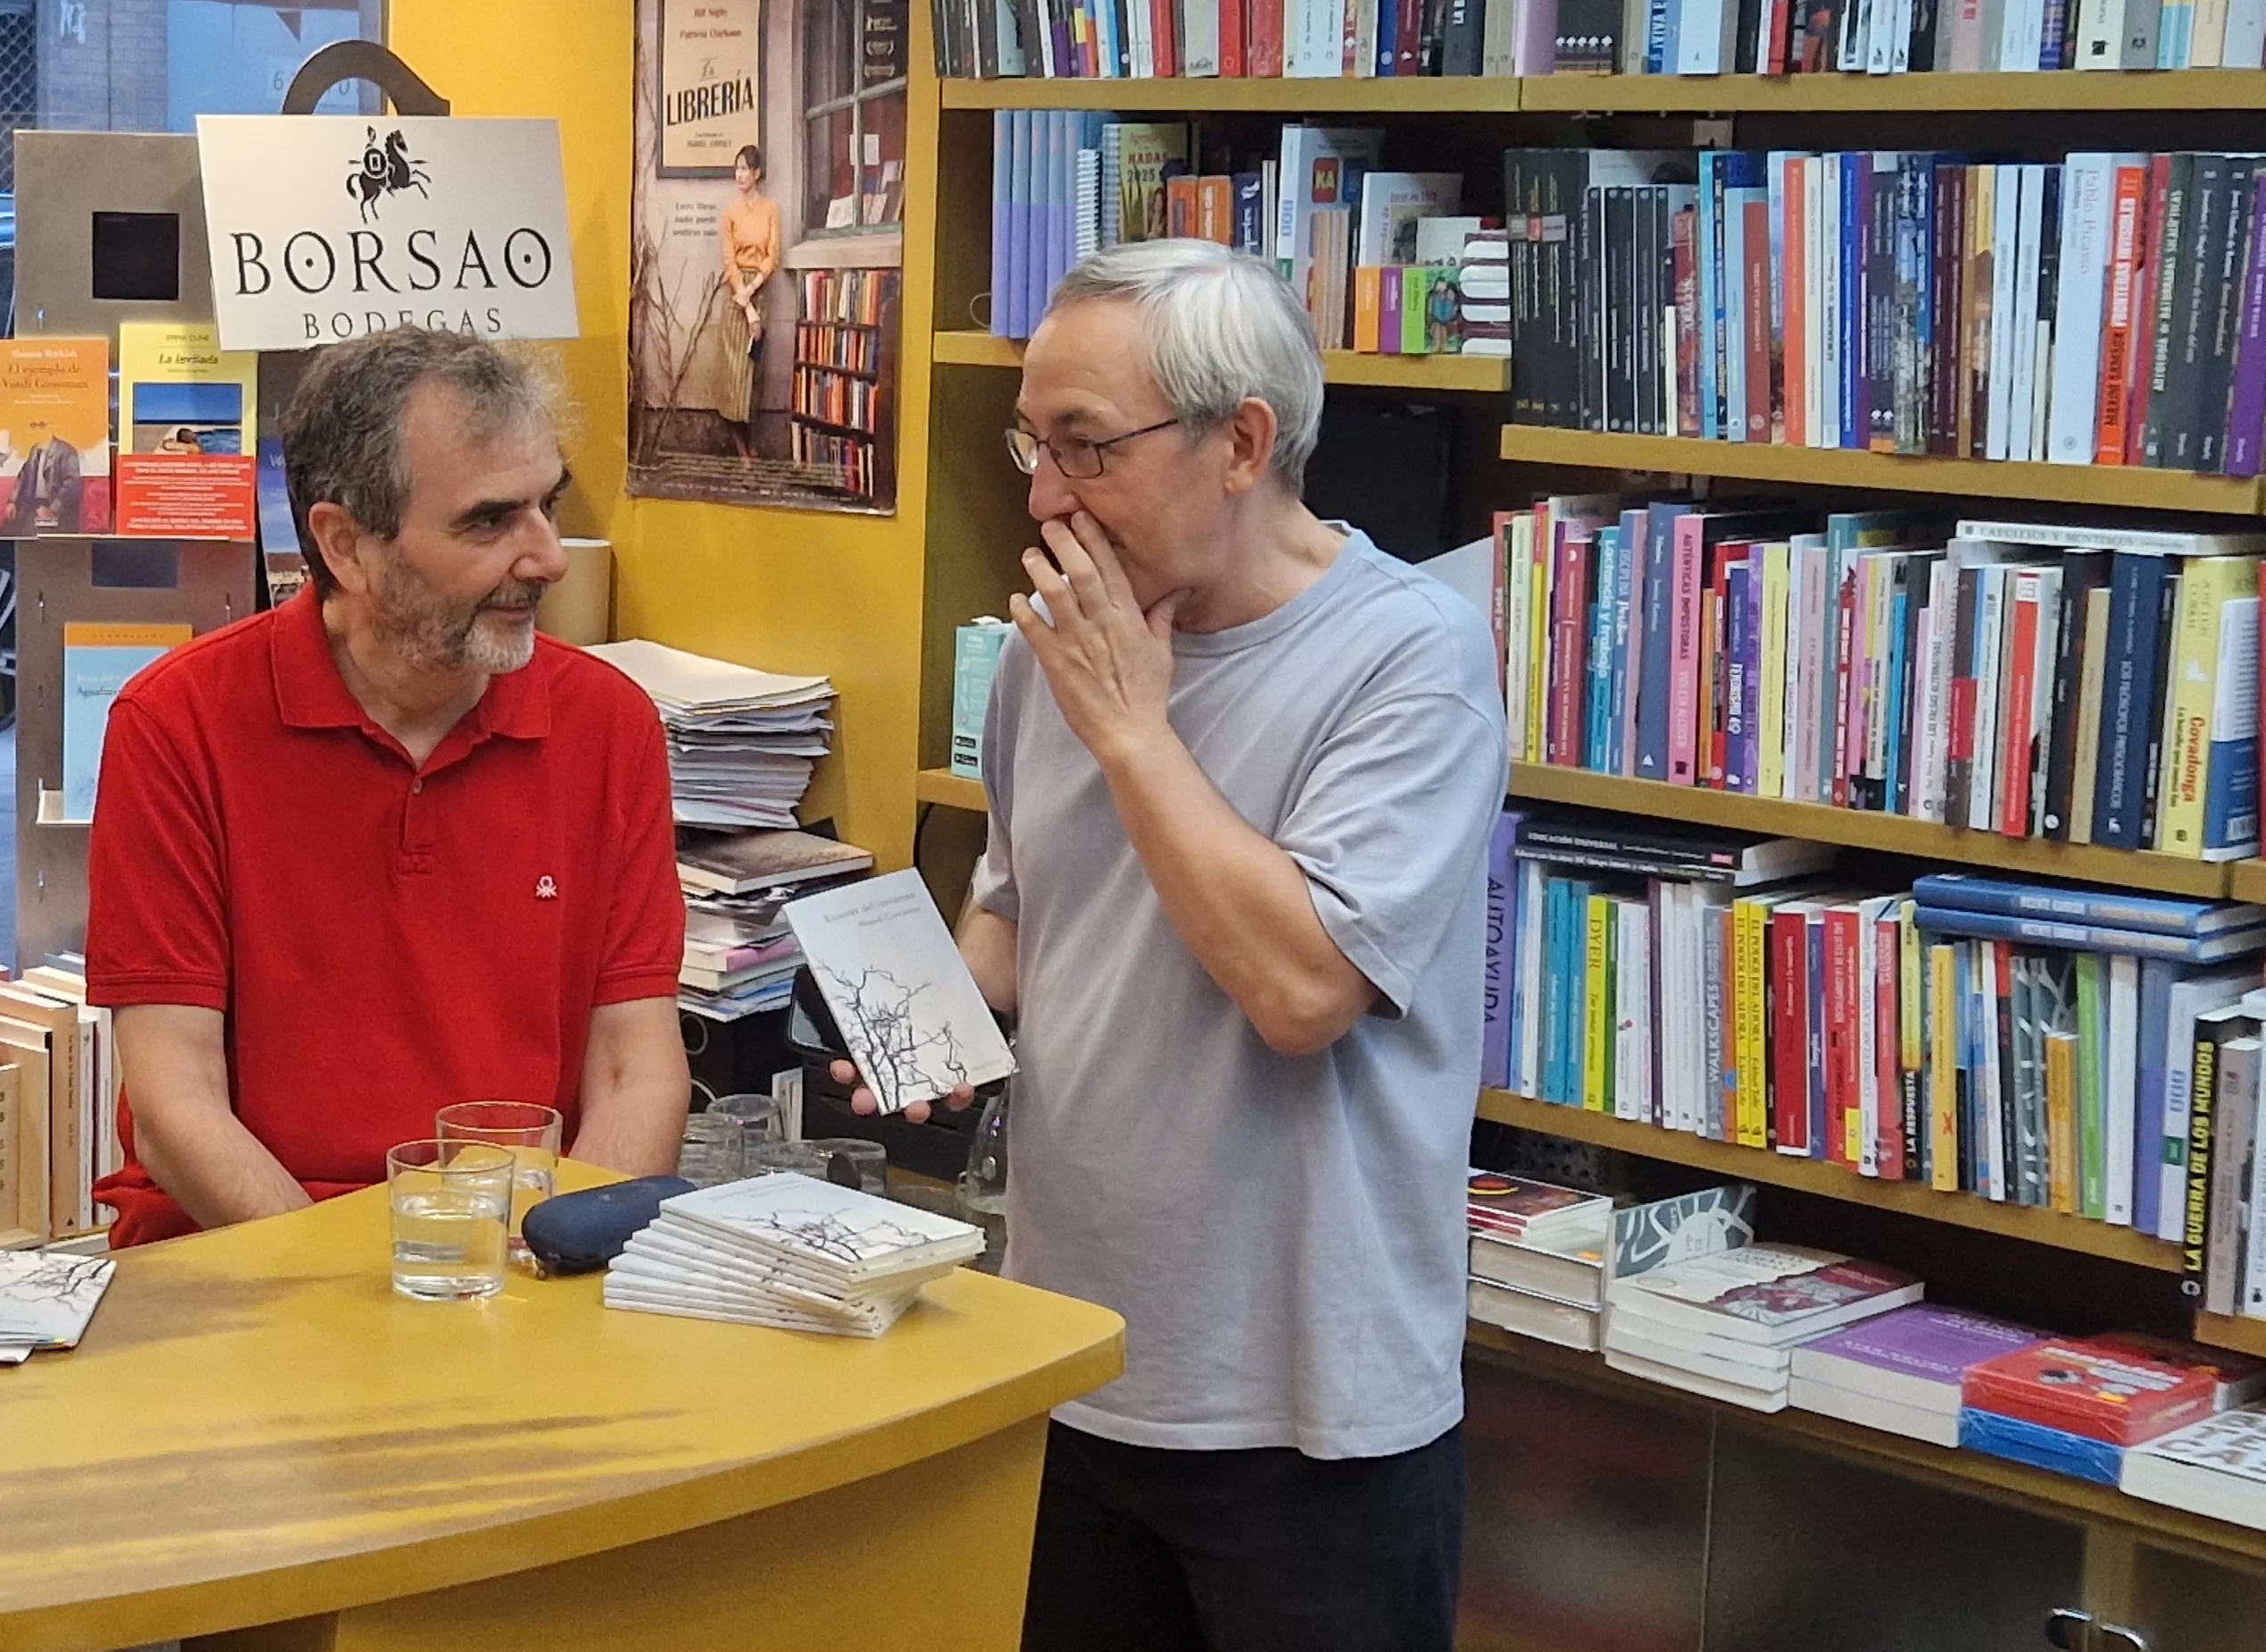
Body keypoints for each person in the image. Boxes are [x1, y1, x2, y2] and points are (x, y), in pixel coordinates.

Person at [849, 240, 1504, 1651]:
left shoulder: (1412, 657)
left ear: (1242, 444)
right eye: (1034, 441)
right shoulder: (1052, 649)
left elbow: (1303, 990)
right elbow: (1022, 910)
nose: (1041, 496)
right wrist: (932, 1026)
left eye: (1086, 447)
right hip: (1069, 1355)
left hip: (1309, 1411)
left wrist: (1135, 730)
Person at [84, 327, 692, 1247]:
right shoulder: (178, 724)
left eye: (546, 506)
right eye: (489, 521)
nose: (547, 558)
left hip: (515, 1263)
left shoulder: (608, 724)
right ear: (345, 546)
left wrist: (559, 1259)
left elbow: (632, 1073)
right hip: (247, 1262)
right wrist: (349, 1307)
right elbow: (178, 1105)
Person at [672, 144, 781, 459]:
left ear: (757, 173)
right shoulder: (730, 214)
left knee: (752, 372)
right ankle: (741, 450)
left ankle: (753, 442)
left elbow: (773, 255)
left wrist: (754, 289)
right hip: (736, 297)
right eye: (737, 169)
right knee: (733, 375)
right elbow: (728, 259)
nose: (740, 175)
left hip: (759, 289)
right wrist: (744, 302)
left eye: (745, 169)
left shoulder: (770, 210)